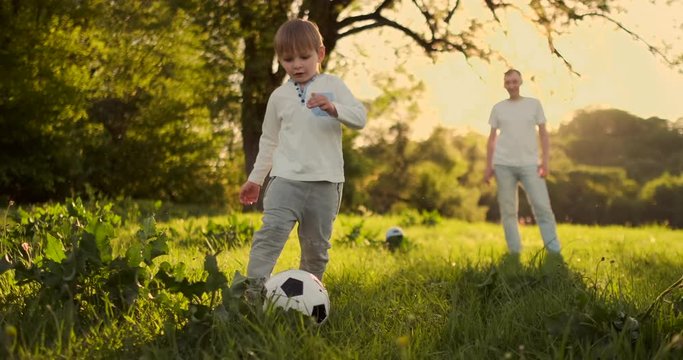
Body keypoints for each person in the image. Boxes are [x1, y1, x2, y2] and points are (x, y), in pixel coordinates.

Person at [238, 19, 366, 297]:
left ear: (320, 54)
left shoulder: (333, 85)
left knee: (316, 250)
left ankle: (307, 301)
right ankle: (252, 296)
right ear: (280, 60)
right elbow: (269, 140)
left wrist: (334, 108)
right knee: (269, 236)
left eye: (304, 57)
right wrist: (255, 180)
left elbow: (360, 117)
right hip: (285, 182)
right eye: (288, 59)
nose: (296, 65)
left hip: (325, 184)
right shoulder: (279, 97)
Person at [484, 69, 561, 255]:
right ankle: (514, 251)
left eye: (514, 81)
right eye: (508, 82)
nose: (511, 85)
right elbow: (492, 139)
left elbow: (543, 134)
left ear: (520, 82)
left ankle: (554, 250)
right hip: (503, 165)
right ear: (504, 84)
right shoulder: (498, 108)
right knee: (509, 211)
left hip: (530, 164)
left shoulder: (534, 105)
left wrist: (545, 162)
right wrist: (488, 166)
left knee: (543, 207)